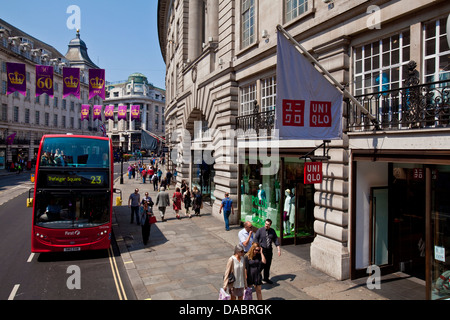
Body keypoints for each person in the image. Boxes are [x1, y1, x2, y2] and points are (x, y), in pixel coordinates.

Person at [254, 218, 281, 284]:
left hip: (269, 250)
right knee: (262, 265)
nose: (266, 225)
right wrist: (257, 248)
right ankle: (257, 277)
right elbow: (255, 239)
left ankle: (266, 278)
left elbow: (276, 240)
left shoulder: (272, 231)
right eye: (266, 224)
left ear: (270, 225)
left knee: (268, 264)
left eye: (268, 224)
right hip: (262, 249)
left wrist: (278, 249)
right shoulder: (260, 230)